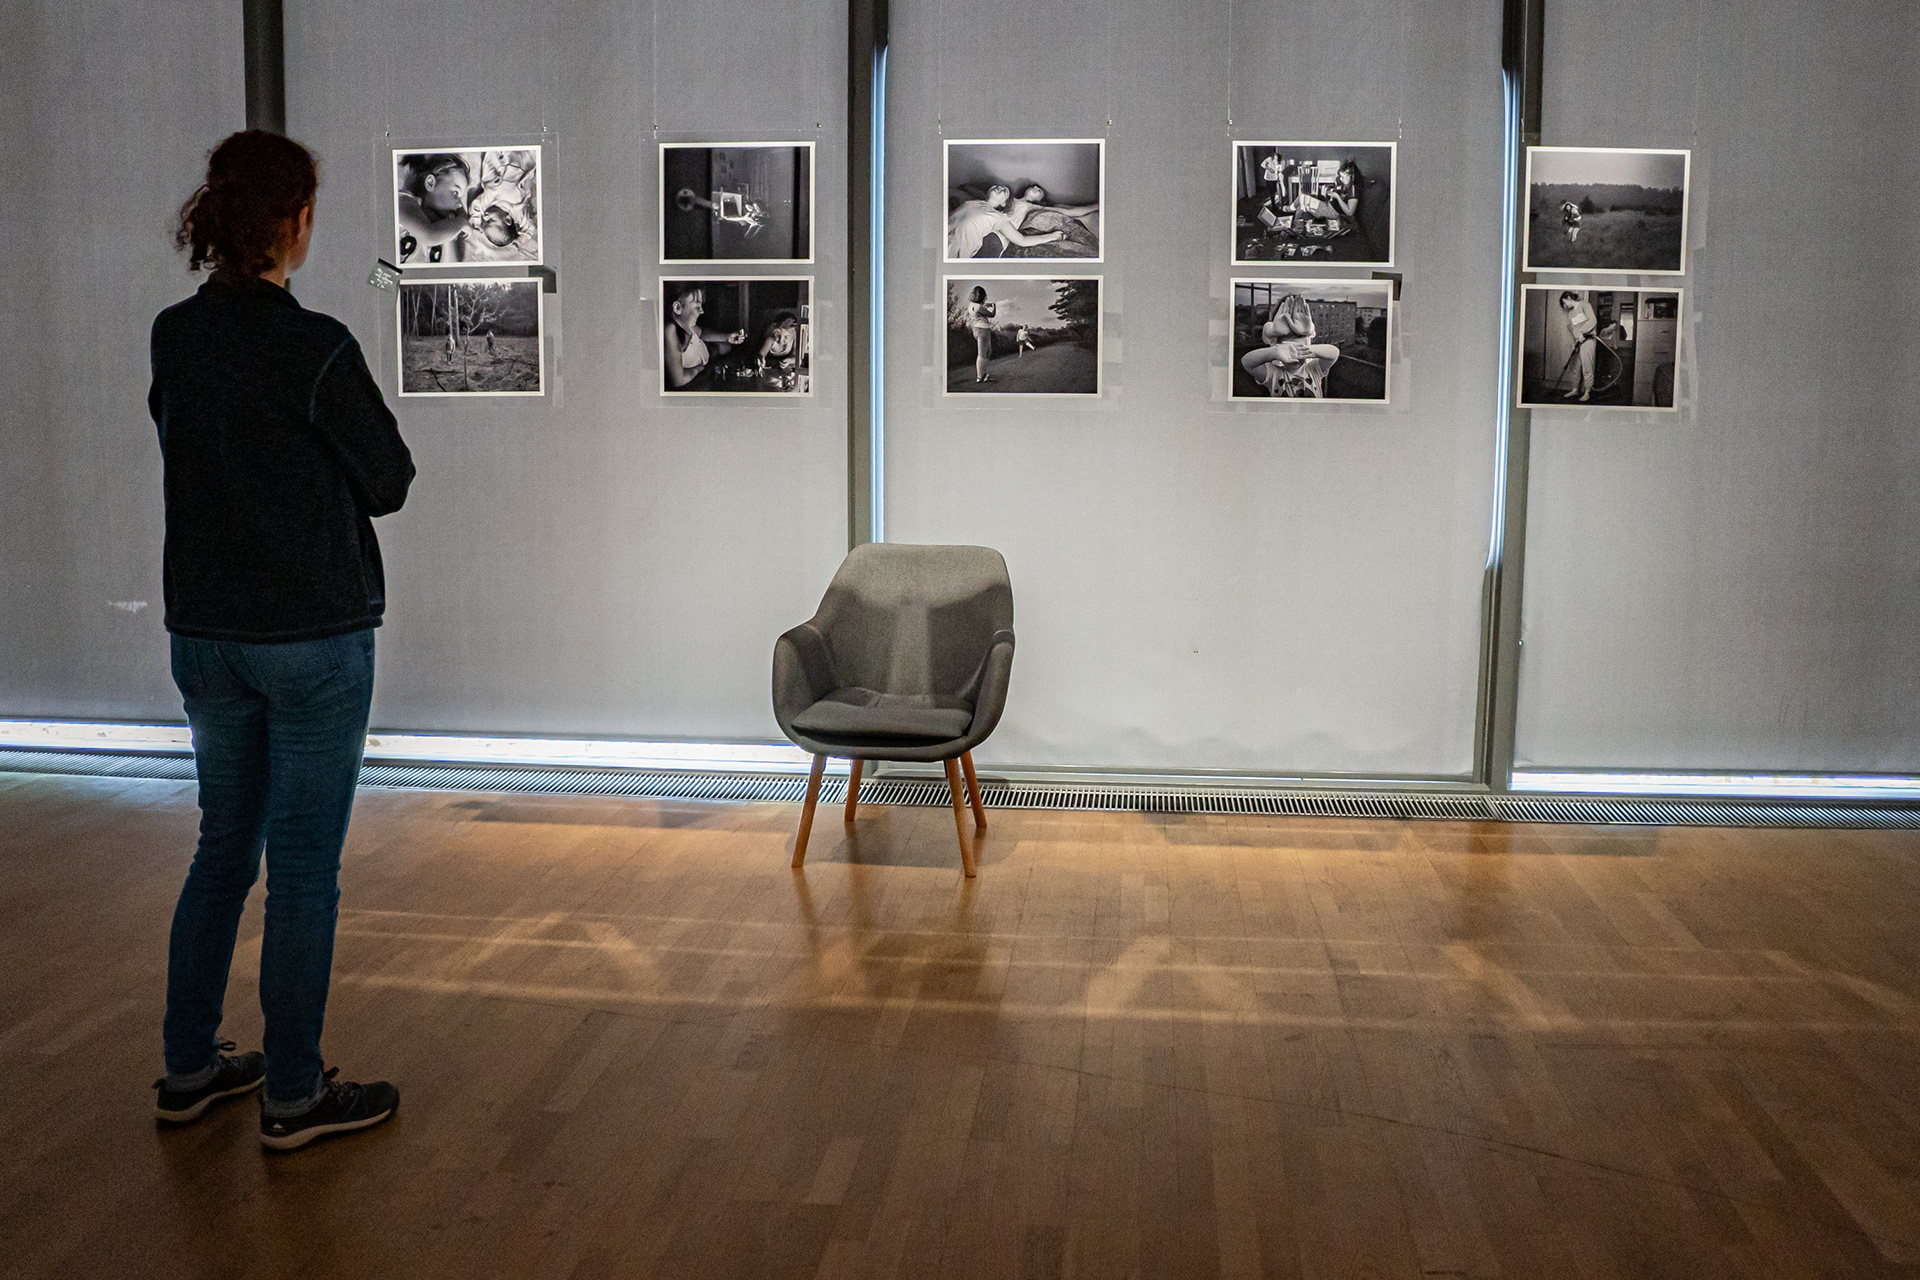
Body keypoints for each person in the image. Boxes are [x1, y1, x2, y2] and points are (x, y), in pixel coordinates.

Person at [149, 130, 413, 1149]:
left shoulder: (176, 336)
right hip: (310, 637)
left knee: (223, 846)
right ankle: (294, 1094)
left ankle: (187, 1068)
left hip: (206, 633)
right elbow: (387, 480)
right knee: (302, 867)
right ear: (296, 224)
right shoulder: (316, 348)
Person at [1240, 294, 1342, 397]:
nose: (1294, 356)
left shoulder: (1313, 370)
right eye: (1289, 349)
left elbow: (1334, 353)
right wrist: (1275, 348)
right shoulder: (1275, 374)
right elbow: (1247, 362)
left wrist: (1307, 349)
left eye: (1298, 349)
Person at [663, 284, 747, 390]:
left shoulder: (686, 325)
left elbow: (702, 333)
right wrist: (699, 369)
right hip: (708, 354)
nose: (702, 311)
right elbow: (678, 381)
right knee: (725, 348)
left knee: (728, 347)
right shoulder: (670, 330)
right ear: (677, 307)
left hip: (705, 349)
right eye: (697, 306)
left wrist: (727, 337)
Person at [946, 185, 1065, 259]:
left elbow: (1022, 240)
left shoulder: (998, 217)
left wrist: (1052, 236)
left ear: (1004, 203)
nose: (1000, 187)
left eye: (1005, 191)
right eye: (998, 186)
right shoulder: (972, 202)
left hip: (955, 252)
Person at [395, 152, 473, 263]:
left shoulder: (441, 228)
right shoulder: (404, 201)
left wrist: (450, 226)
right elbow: (428, 236)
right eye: (455, 193)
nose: (460, 204)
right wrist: (461, 223)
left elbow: (449, 268)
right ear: (430, 183)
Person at [1558, 289, 1598, 400]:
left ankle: (1588, 392)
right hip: (1577, 342)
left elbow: (1592, 321)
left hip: (1588, 340)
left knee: (1587, 366)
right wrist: (1573, 343)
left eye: (1565, 303)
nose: (1565, 306)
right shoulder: (1570, 314)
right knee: (1575, 367)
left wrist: (1582, 332)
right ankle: (1575, 389)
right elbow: (1572, 329)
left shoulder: (1584, 305)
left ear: (1568, 298)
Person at [964, 285, 998, 383]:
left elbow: (978, 312)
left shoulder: (971, 306)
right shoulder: (978, 307)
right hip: (983, 330)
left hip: (977, 329)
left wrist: (984, 306)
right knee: (982, 354)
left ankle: (983, 374)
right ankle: (980, 376)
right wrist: (994, 306)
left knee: (987, 352)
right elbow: (992, 314)